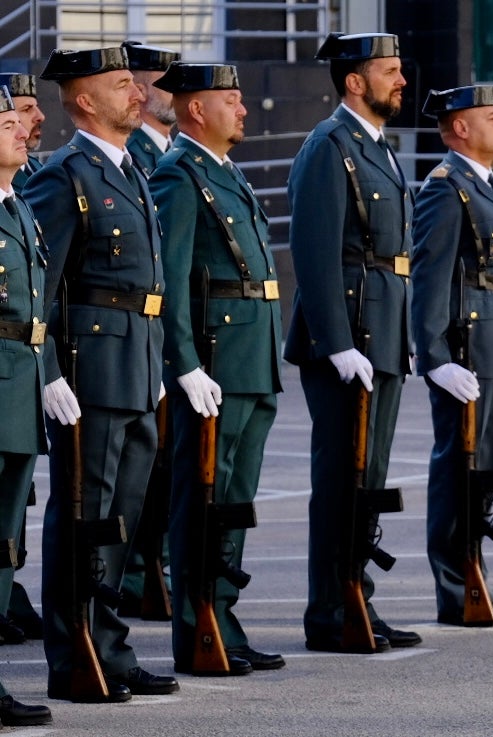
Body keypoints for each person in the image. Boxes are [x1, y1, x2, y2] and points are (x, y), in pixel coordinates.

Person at [24, 46, 178, 703]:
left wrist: (160, 361)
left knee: (121, 518)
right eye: (122, 85)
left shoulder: (130, 170)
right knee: (83, 515)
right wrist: (49, 371)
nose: (138, 93)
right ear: (84, 100)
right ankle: (73, 654)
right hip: (91, 370)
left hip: (137, 363)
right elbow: (39, 286)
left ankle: (109, 647)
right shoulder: (65, 176)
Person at [284, 32, 421, 652]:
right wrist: (336, 341)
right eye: (390, 71)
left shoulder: (375, 147)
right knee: (343, 478)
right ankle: (330, 610)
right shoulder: (329, 145)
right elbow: (314, 251)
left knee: (369, 479)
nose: (402, 81)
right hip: (351, 335)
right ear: (355, 82)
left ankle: (357, 597)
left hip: (382, 331)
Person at [147, 62, 285, 676]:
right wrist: (183, 363)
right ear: (197, 109)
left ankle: (223, 617)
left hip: (251, 357)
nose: (244, 109)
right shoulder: (179, 174)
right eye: (232, 99)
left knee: (234, 498)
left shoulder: (226, 172)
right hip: (216, 359)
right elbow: (170, 279)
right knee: (203, 495)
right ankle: (197, 624)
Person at [411, 85, 493, 627]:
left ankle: (475, 573)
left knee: (484, 471)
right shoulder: (447, 187)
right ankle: (456, 585)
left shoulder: (487, 182)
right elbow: (430, 274)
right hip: (469, 343)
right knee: (458, 467)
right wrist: (434, 355)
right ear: (460, 127)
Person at [118, 40, 180, 620]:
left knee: (163, 468)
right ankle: (137, 575)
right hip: (137, 338)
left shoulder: (169, 153)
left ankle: (149, 570)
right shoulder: (132, 154)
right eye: (165, 81)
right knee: (142, 468)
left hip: (165, 336)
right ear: (137, 90)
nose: (175, 91)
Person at [0, 83, 53, 727]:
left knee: (5, 541)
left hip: (19, 387)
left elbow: (38, 309)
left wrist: (52, 375)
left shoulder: (17, 208)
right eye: (5, 123)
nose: (20, 129)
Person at [123, 42, 180, 176]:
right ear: (140, 92)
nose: (178, 93)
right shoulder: (128, 151)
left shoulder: (177, 148)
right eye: (169, 85)